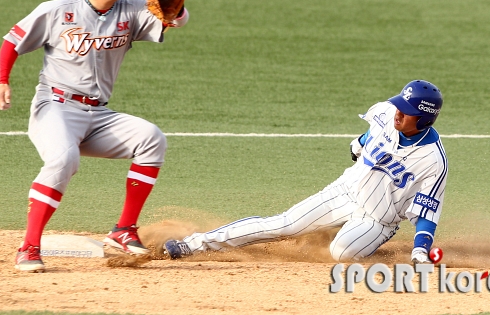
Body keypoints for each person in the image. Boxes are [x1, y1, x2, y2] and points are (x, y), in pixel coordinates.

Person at [0, 0, 189, 273]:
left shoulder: (133, 11)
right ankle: (28, 247)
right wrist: (2, 80)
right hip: (55, 107)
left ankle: (123, 231)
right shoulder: (57, 10)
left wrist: (177, 10)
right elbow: (12, 40)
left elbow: (177, 21)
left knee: (151, 138)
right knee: (63, 159)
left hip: (97, 114)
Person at [164, 80, 447, 263]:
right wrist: (359, 144)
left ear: (423, 118)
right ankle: (194, 244)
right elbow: (371, 133)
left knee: (342, 254)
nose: (398, 112)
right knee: (282, 224)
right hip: (344, 191)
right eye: (399, 105)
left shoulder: (433, 161)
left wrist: (420, 250)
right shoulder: (387, 114)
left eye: (406, 110)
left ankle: (363, 238)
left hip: (377, 219)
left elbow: (427, 212)